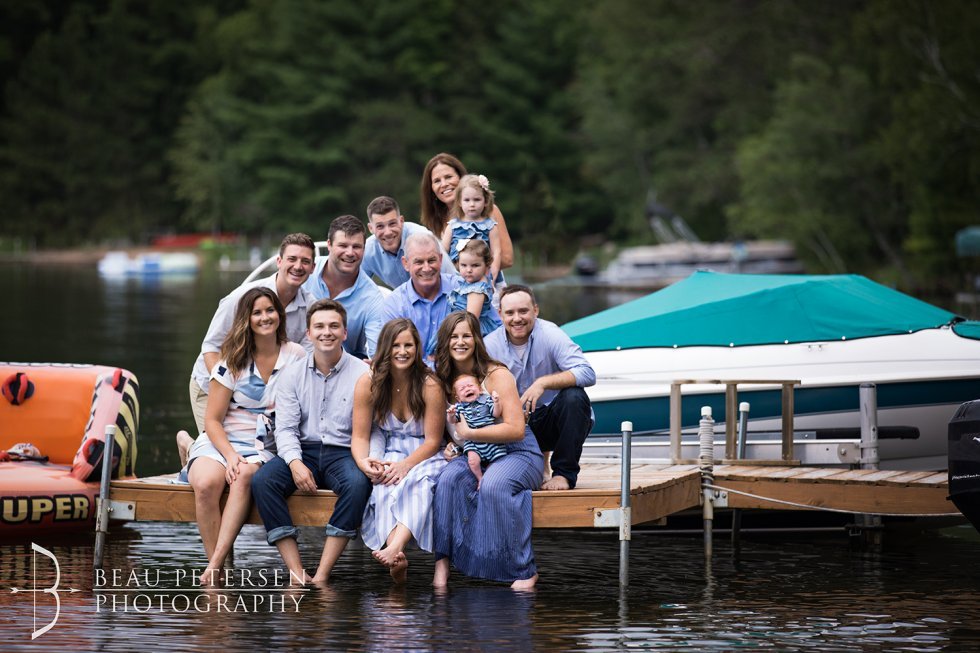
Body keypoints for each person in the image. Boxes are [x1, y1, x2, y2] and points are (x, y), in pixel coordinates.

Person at [179, 287, 307, 585]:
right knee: (207, 483)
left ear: (280, 314)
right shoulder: (231, 360)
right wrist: (230, 455)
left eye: (270, 310)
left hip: (265, 443)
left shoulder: (296, 356)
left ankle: (215, 565)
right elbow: (212, 420)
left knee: (244, 475)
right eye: (257, 312)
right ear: (246, 320)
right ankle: (218, 573)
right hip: (224, 440)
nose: (265, 317)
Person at [250, 299, 373, 584]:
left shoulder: (363, 374)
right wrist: (294, 463)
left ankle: (322, 573)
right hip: (302, 449)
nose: (326, 332)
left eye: (334, 326)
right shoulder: (292, 374)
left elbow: (371, 428)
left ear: (345, 332)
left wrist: (368, 461)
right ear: (308, 333)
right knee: (263, 482)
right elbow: (285, 429)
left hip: (344, 452)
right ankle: (296, 570)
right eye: (319, 326)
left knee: (357, 485)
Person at [431, 311, 543, 590]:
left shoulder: (496, 375)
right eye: (453, 337)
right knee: (447, 480)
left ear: (476, 340)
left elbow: (516, 429)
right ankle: (442, 567)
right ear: (444, 342)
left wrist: (470, 434)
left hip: (516, 452)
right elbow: (448, 428)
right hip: (474, 454)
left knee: (493, 485)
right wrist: (451, 445)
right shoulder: (442, 381)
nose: (460, 342)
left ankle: (523, 570)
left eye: (466, 336)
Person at [188, 233, 316, 435]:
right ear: (279, 261)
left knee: (257, 446)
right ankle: (188, 445)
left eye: (305, 261)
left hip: (262, 397)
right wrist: (229, 390)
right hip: (213, 386)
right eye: (292, 259)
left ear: (313, 268)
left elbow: (304, 362)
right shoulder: (242, 297)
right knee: (215, 444)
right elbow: (211, 347)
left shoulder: (310, 308)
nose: (298, 266)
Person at [350, 319, 447, 583]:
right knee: (382, 486)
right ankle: (397, 557)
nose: (402, 352)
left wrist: (406, 465)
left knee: (418, 483)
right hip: (391, 448)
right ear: (385, 347)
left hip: (425, 453)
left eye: (408, 345)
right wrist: (363, 462)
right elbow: (360, 436)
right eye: (396, 345)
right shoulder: (369, 382)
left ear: (417, 348)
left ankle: (394, 547)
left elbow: (433, 441)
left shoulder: (430, 384)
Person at [485, 285, 596, 491]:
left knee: (575, 397)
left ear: (535, 310)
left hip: (551, 421)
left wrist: (542, 383)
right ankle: (534, 465)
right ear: (500, 314)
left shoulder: (550, 334)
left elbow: (587, 373)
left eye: (523, 311)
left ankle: (563, 474)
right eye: (510, 313)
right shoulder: (489, 345)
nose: (517, 318)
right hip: (513, 426)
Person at [303, 215, 383, 360]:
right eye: (343, 246)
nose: (350, 253)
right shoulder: (304, 270)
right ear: (329, 245)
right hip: (297, 360)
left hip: (345, 365)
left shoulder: (372, 297)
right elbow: (270, 292)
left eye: (356, 247)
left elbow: (377, 352)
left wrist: (373, 364)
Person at [420, 153, 513, 270]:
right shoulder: (434, 221)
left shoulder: (489, 211)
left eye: (448, 177)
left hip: (486, 279)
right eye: (437, 181)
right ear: (431, 188)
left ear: (461, 178)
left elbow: (507, 259)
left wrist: (471, 268)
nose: (444, 184)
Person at [381, 232, 455, 365]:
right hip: (413, 375)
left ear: (440, 259)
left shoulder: (461, 290)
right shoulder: (394, 305)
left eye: (431, 260)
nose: (426, 268)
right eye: (419, 262)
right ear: (405, 263)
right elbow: (391, 357)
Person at [361, 196, 456, 289]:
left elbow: (452, 278)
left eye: (392, 224)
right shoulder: (367, 251)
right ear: (371, 228)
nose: (388, 232)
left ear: (401, 221)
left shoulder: (424, 237)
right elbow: (358, 287)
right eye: (380, 226)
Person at [441, 174, 502, 284]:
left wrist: (492, 278)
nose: (472, 204)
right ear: (459, 202)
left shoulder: (490, 226)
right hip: (456, 278)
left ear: (485, 201)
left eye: (477, 199)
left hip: (484, 278)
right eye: (467, 200)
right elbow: (443, 252)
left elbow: (496, 253)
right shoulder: (453, 226)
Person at [447, 373, 504, 490]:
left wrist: (497, 402)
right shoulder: (459, 407)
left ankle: (489, 474)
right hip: (473, 442)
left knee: (498, 458)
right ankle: (480, 478)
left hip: (490, 437)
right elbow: (453, 421)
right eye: (462, 389)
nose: (467, 389)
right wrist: (451, 415)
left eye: (470, 386)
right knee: (472, 461)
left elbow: (496, 414)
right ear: (458, 397)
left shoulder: (486, 400)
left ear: (480, 389)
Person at [448, 239, 501, 336]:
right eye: (463, 265)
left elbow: (471, 319)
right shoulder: (473, 283)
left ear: (486, 265)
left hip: (471, 330)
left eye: (475, 265)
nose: (469, 270)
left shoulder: (477, 291)